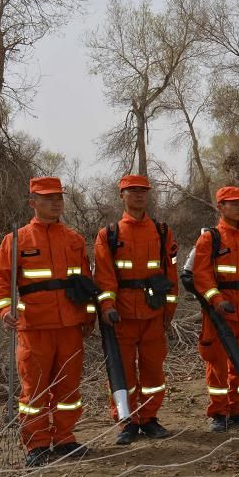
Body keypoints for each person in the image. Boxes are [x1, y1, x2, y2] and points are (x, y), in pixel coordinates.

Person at [0, 177, 96, 466]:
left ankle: (64, 439)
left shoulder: (74, 239)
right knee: (34, 389)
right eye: (48, 198)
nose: (55, 203)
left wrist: (89, 315)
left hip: (70, 327)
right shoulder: (16, 240)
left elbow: (84, 282)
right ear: (32, 203)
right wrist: (5, 309)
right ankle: (36, 444)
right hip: (34, 327)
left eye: (59, 198)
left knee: (68, 388)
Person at [94, 175, 179, 444]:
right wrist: (107, 307)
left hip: (153, 314)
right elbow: (104, 277)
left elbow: (171, 274)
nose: (139, 196)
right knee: (124, 373)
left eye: (143, 191)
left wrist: (169, 311)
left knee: (154, 371)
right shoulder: (108, 234)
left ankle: (149, 418)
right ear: (122, 195)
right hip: (122, 317)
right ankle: (126, 421)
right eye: (133, 191)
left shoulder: (162, 231)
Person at [192, 186, 239, 432]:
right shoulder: (210, 238)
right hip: (219, 313)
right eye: (233, 204)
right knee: (218, 363)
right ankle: (219, 412)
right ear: (220, 207)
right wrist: (216, 300)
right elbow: (200, 274)